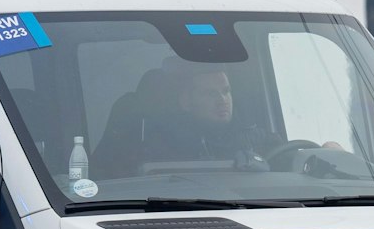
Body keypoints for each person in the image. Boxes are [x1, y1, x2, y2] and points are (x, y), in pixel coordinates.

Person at [93, 62, 259, 179]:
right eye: (210, 93)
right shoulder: (158, 147)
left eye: (226, 91)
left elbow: (283, 160)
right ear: (186, 101)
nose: (222, 100)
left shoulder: (255, 138)